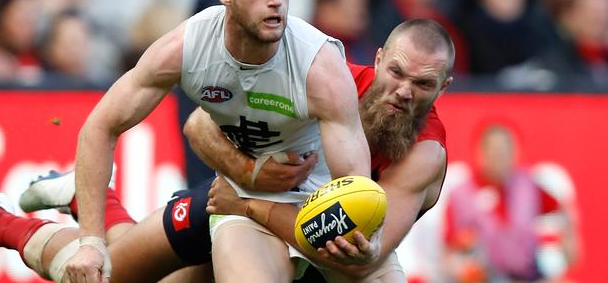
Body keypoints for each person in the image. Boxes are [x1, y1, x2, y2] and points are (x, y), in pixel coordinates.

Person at [0, 0, 371, 283]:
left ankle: (85, 199)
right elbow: (107, 125)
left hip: (302, 215)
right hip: (230, 207)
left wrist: (361, 242)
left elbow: (360, 201)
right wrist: (90, 241)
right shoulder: (187, 46)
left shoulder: (322, 68)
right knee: (104, 271)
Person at [193, 18, 455, 281]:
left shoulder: (426, 152)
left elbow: (359, 260)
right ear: (378, 60)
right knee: (176, 243)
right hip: (260, 191)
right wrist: (246, 171)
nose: (404, 92)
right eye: (396, 72)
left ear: (442, 88)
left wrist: (249, 204)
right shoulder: (334, 78)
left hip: (294, 225)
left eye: (423, 84)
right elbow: (198, 124)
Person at [442, 124, 579, 282]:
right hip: (485, 277)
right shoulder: (462, 195)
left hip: (530, 274)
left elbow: (561, 212)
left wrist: (568, 241)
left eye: (505, 150)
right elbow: (450, 249)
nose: (500, 157)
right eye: (494, 151)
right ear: (481, 152)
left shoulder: (527, 185)